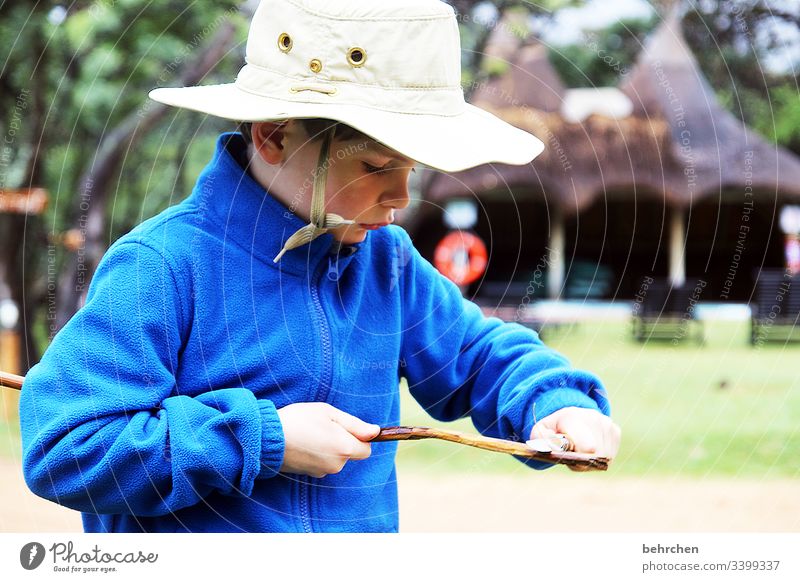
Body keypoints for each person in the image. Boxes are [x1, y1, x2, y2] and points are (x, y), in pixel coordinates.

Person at [19, 0, 620, 533]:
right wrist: (264, 439)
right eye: (377, 165)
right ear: (275, 135)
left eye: (410, 168)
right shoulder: (162, 267)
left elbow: (478, 355)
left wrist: (555, 402)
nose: (401, 197)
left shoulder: (385, 262)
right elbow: (68, 448)